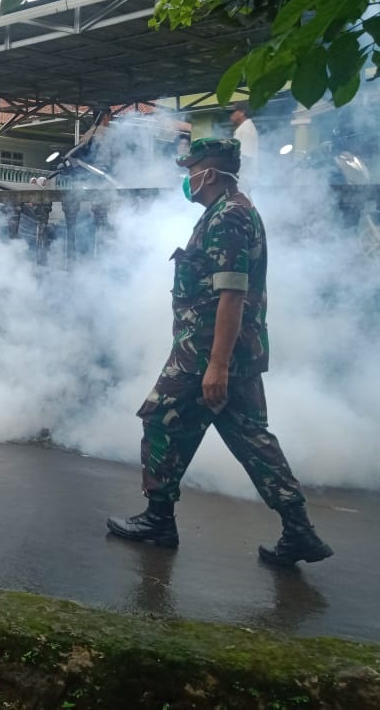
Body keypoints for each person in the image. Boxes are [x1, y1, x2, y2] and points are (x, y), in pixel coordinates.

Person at [106, 138, 333, 567]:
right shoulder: (229, 212)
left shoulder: (229, 217)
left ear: (208, 174)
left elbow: (231, 295)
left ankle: (158, 520)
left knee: (160, 420)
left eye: (190, 170)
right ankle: (299, 530)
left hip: (206, 353)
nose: (186, 178)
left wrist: (217, 365)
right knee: (251, 437)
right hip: (230, 351)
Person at [229, 102, 258, 188]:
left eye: (233, 112)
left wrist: (230, 171)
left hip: (244, 179)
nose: (230, 115)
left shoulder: (246, 129)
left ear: (242, 112)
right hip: (242, 178)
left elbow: (246, 157)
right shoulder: (243, 128)